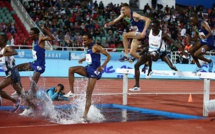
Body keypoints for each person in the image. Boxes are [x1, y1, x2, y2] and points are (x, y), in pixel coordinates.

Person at [64, 33, 111, 121]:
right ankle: (72, 91)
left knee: (88, 94)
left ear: (90, 40)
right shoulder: (89, 48)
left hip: (95, 71)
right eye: (83, 40)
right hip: (88, 68)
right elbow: (91, 56)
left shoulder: (96, 47)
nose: (83, 42)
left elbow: (108, 56)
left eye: (85, 40)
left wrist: (102, 66)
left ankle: (84, 116)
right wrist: (83, 59)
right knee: (71, 69)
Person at [129, 20, 183, 91]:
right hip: (151, 51)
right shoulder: (149, 32)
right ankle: (137, 86)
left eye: (154, 27)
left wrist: (182, 50)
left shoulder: (162, 34)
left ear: (158, 27)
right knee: (136, 65)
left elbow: (173, 42)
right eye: (152, 27)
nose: (153, 28)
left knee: (172, 66)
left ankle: (179, 72)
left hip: (161, 53)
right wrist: (141, 45)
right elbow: (149, 44)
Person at [13, 25, 55, 115]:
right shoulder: (34, 40)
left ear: (36, 34)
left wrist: (45, 30)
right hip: (34, 63)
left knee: (32, 87)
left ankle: (29, 108)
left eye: (31, 34)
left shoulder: (40, 39)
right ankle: (20, 90)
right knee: (14, 70)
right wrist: (28, 38)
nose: (30, 35)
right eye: (29, 34)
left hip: (39, 66)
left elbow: (52, 38)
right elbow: (31, 36)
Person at [0, 34, 22, 112]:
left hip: (12, 73)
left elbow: (15, 52)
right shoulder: (1, 49)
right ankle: (33, 105)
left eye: (0, 39)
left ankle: (15, 101)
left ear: (3, 40)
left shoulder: (7, 47)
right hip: (10, 73)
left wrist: (5, 54)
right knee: (21, 93)